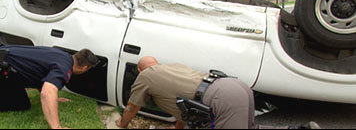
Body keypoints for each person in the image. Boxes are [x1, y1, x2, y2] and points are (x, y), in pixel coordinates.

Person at [115, 56, 321, 129]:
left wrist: (121, 124)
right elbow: (183, 108)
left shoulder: (145, 76)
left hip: (223, 99)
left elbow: (133, 106)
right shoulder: (173, 67)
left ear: (141, 69)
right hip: (236, 87)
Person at [0, 45, 98, 129]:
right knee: (21, 105)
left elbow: (41, 75)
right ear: (84, 67)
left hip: (4, 55)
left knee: (22, 101)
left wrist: (55, 98)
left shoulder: (63, 56)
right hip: (2, 65)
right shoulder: (64, 68)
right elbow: (47, 93)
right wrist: (57, 127)